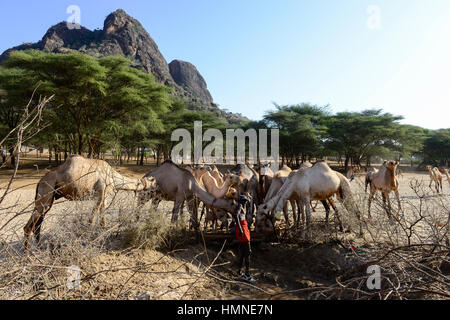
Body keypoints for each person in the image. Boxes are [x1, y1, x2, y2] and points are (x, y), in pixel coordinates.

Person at [233, 195, 256, 283]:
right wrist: (240, 229)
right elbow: (236, 215)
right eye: (245, 201)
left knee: (243, 252)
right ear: (242, 201)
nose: (246, 202)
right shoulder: (239, 206)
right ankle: (247, 274)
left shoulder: (242, 206)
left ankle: (239, 271)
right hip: (242, 228)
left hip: (243, 227)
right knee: (248, 251)